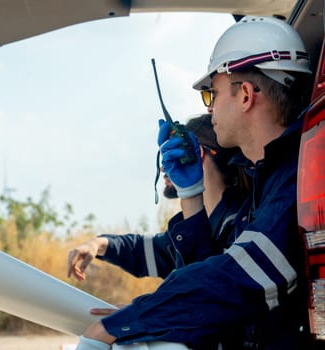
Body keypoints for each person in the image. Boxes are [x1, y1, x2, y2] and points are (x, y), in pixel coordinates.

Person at [72, 16, 313, 350]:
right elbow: (210, 275)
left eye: (212, 94)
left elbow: (238, 279)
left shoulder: (297, 177)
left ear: (244, 95)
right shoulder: (262, 189)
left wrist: (125, 322)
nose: (210, 108)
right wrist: (190, 196)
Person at [67, 114, 248, 284]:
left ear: (196, 153)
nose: (163, 168)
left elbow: (207, 294)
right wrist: (97, 243)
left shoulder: (238, 226)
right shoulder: (204, 224)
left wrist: (148, 311)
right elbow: (144, 250)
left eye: (174, 152)